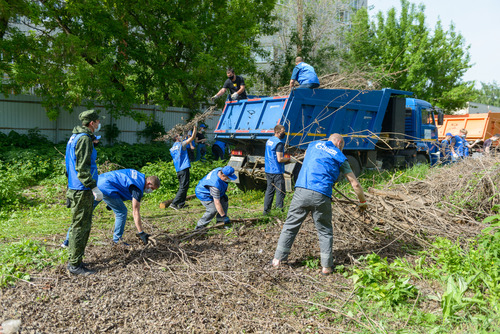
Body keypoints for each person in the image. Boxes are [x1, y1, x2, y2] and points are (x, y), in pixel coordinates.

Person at [272, 134, 367, 276]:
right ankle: (326, 267)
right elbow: (355, 184)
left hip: (301, 191)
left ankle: (277, 260)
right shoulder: (340, 156)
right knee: (325, 231)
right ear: (339, 143)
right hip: (321, 195)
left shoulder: (313, 145)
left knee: (290, 226)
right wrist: (362, 202)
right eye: (342, 146)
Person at [62, 169, 160, 246]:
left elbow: (121, 184)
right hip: (107, 187)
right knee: (122, 212)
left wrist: (113, 203)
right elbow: (135, 211)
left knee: (85, 212)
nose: (150, 190)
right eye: (152, 189)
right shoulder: (138, 188)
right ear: (149, 183)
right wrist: (141, 232)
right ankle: (117, 241)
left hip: (98, 182)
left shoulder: (138, 175)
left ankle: (67, 241)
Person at [65, 110, 103, 276]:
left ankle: (76, 259)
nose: (99, 123)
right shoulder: (85, 139)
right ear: (91, 123)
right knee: (81, 226)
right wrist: (93, 187)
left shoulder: (74, 137)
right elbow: (81, 168)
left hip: (74, 187)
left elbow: (67, 165)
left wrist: (68, 189)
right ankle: (75, 265)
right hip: (82, 190)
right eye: (97, 121)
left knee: (77, 225)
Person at [194, 165, 237, 230]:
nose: (229, 179)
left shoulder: (220, 170)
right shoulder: (215, 185)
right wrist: (224, 216)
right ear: (223, 175)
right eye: (228, 178)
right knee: (212, 210)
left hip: (215, 190)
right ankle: (200, 227)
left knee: (224, 201)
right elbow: (217, 202)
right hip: (204, 194)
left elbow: (222, 182)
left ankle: (220, 223)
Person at [263, 125, 290, 215]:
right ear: (277, 132)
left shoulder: (269, 140)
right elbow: (280, 159)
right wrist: (289, 159)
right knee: (280, 191)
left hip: (268, 170)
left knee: (269, 190)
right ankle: (279, 211)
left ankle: (266, 211)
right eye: (283, 131)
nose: (284, 133)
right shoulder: (279, 143)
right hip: (276, 171)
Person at [170, 125, 197, 210]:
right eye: (179, 135)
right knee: (183, 187)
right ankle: (174, 203)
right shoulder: (181, 144)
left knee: (184, 186)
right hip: (184, 168)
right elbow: (192, 137)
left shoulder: (172, 148)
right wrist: (195, 128)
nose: (180, 136)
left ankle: (181, 204)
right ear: (177, 138)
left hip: (178, 169)